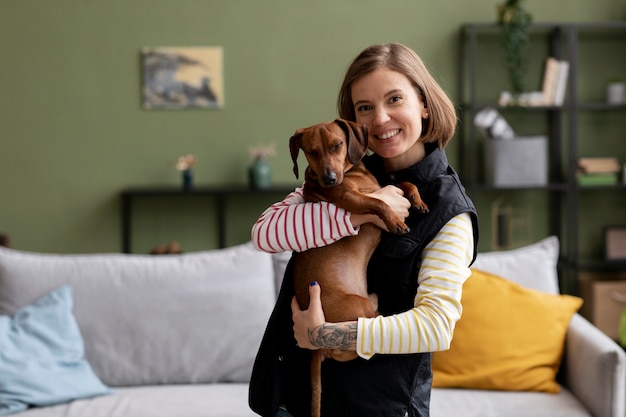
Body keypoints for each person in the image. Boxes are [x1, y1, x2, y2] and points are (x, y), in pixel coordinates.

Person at [248, 42, 479, 417]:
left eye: (394, 99)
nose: (381, 119)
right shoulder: (346, 173)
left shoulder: (450, 211)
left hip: (375, 406)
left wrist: (326, 335)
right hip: (293, 397)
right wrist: (355, 215)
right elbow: (265, 233)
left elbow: (437, 327)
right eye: (365, 108)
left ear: (423, 103)